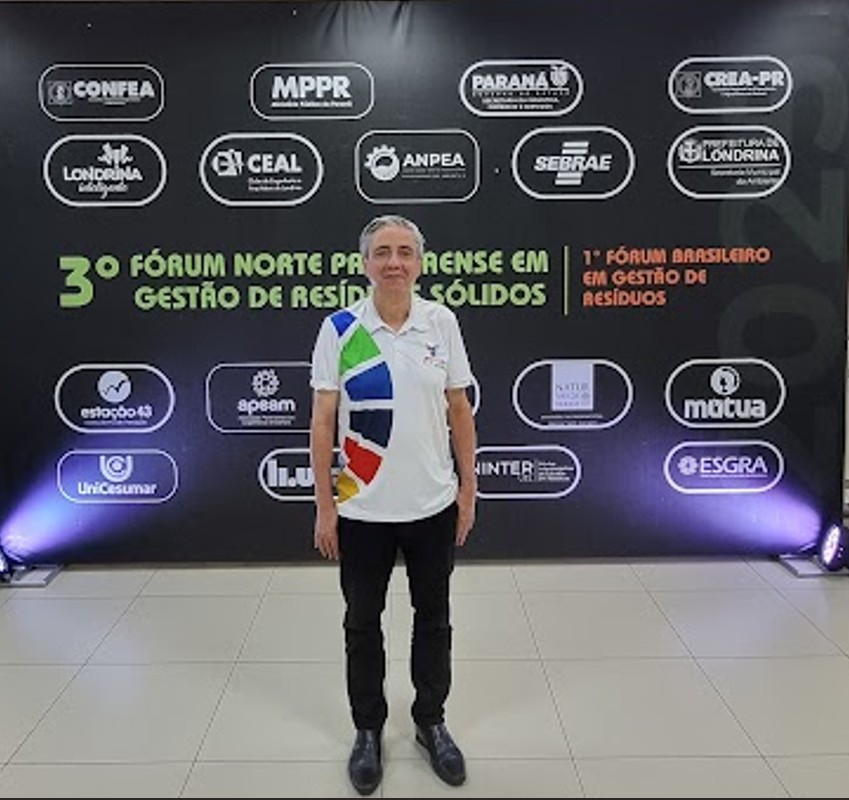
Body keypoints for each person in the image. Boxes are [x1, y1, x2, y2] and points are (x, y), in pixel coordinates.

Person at [309, 214, 478, 795]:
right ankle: (367, 730)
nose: (394, 263)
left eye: (405, 252)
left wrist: (467, 489)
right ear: (365, 263)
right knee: (362, 623)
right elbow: (323, 419)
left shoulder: (441, 322)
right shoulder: (340, 328)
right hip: (361, 510)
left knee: (434, 620)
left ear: (420, 262)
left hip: (431, 505)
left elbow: (459, 408)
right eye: (383, 252)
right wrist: (325, 506)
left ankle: (431, 721)